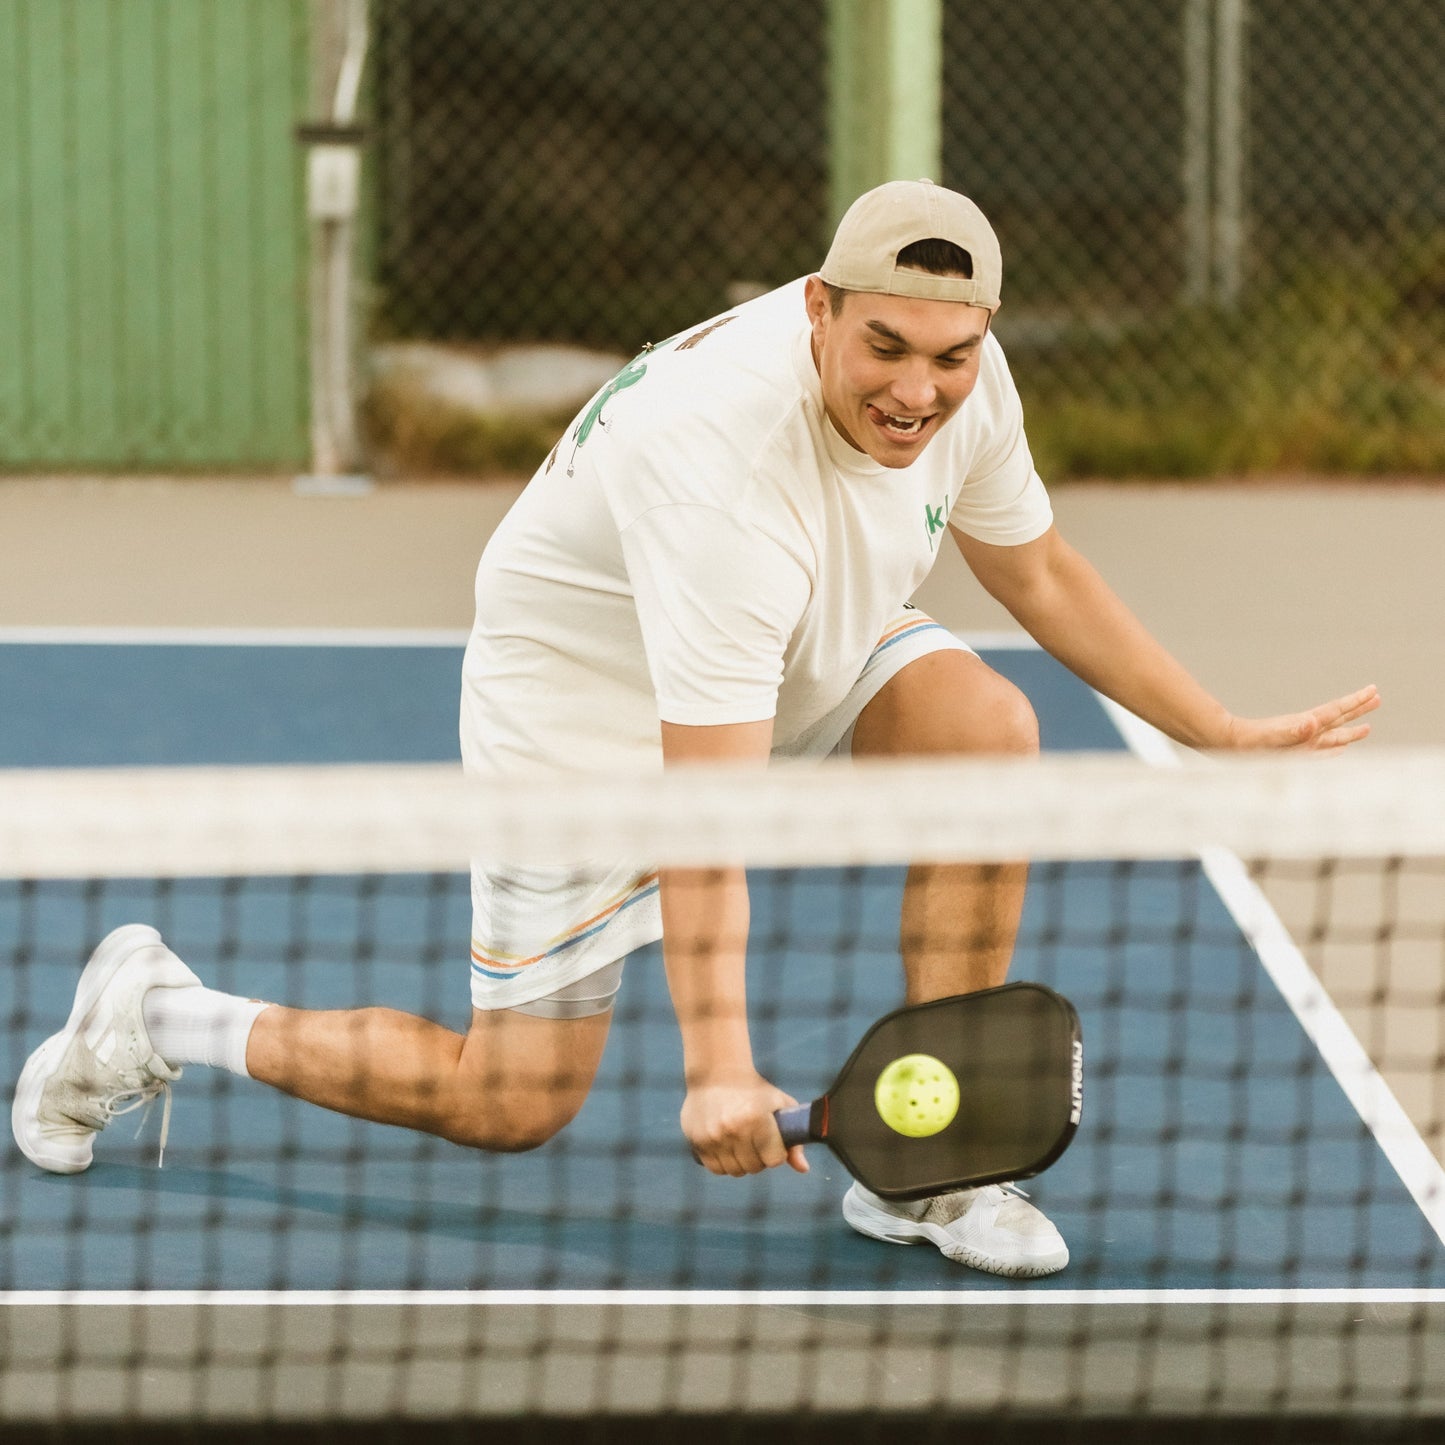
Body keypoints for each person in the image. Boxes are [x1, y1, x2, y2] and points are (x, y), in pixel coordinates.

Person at [11, 180, 1378, 1278]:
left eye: (950, 358)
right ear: (819, 310)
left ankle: (932, 1170)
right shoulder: (722, 471)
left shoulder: (963, 367)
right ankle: (158, 1014)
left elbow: (1036, 568)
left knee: (984, 728)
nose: (918, 391)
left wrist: (1212, 728)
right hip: (586, 705)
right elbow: (707, 816)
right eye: (884, 350)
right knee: (511, 1101)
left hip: (787, 642)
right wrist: (717, 1060)